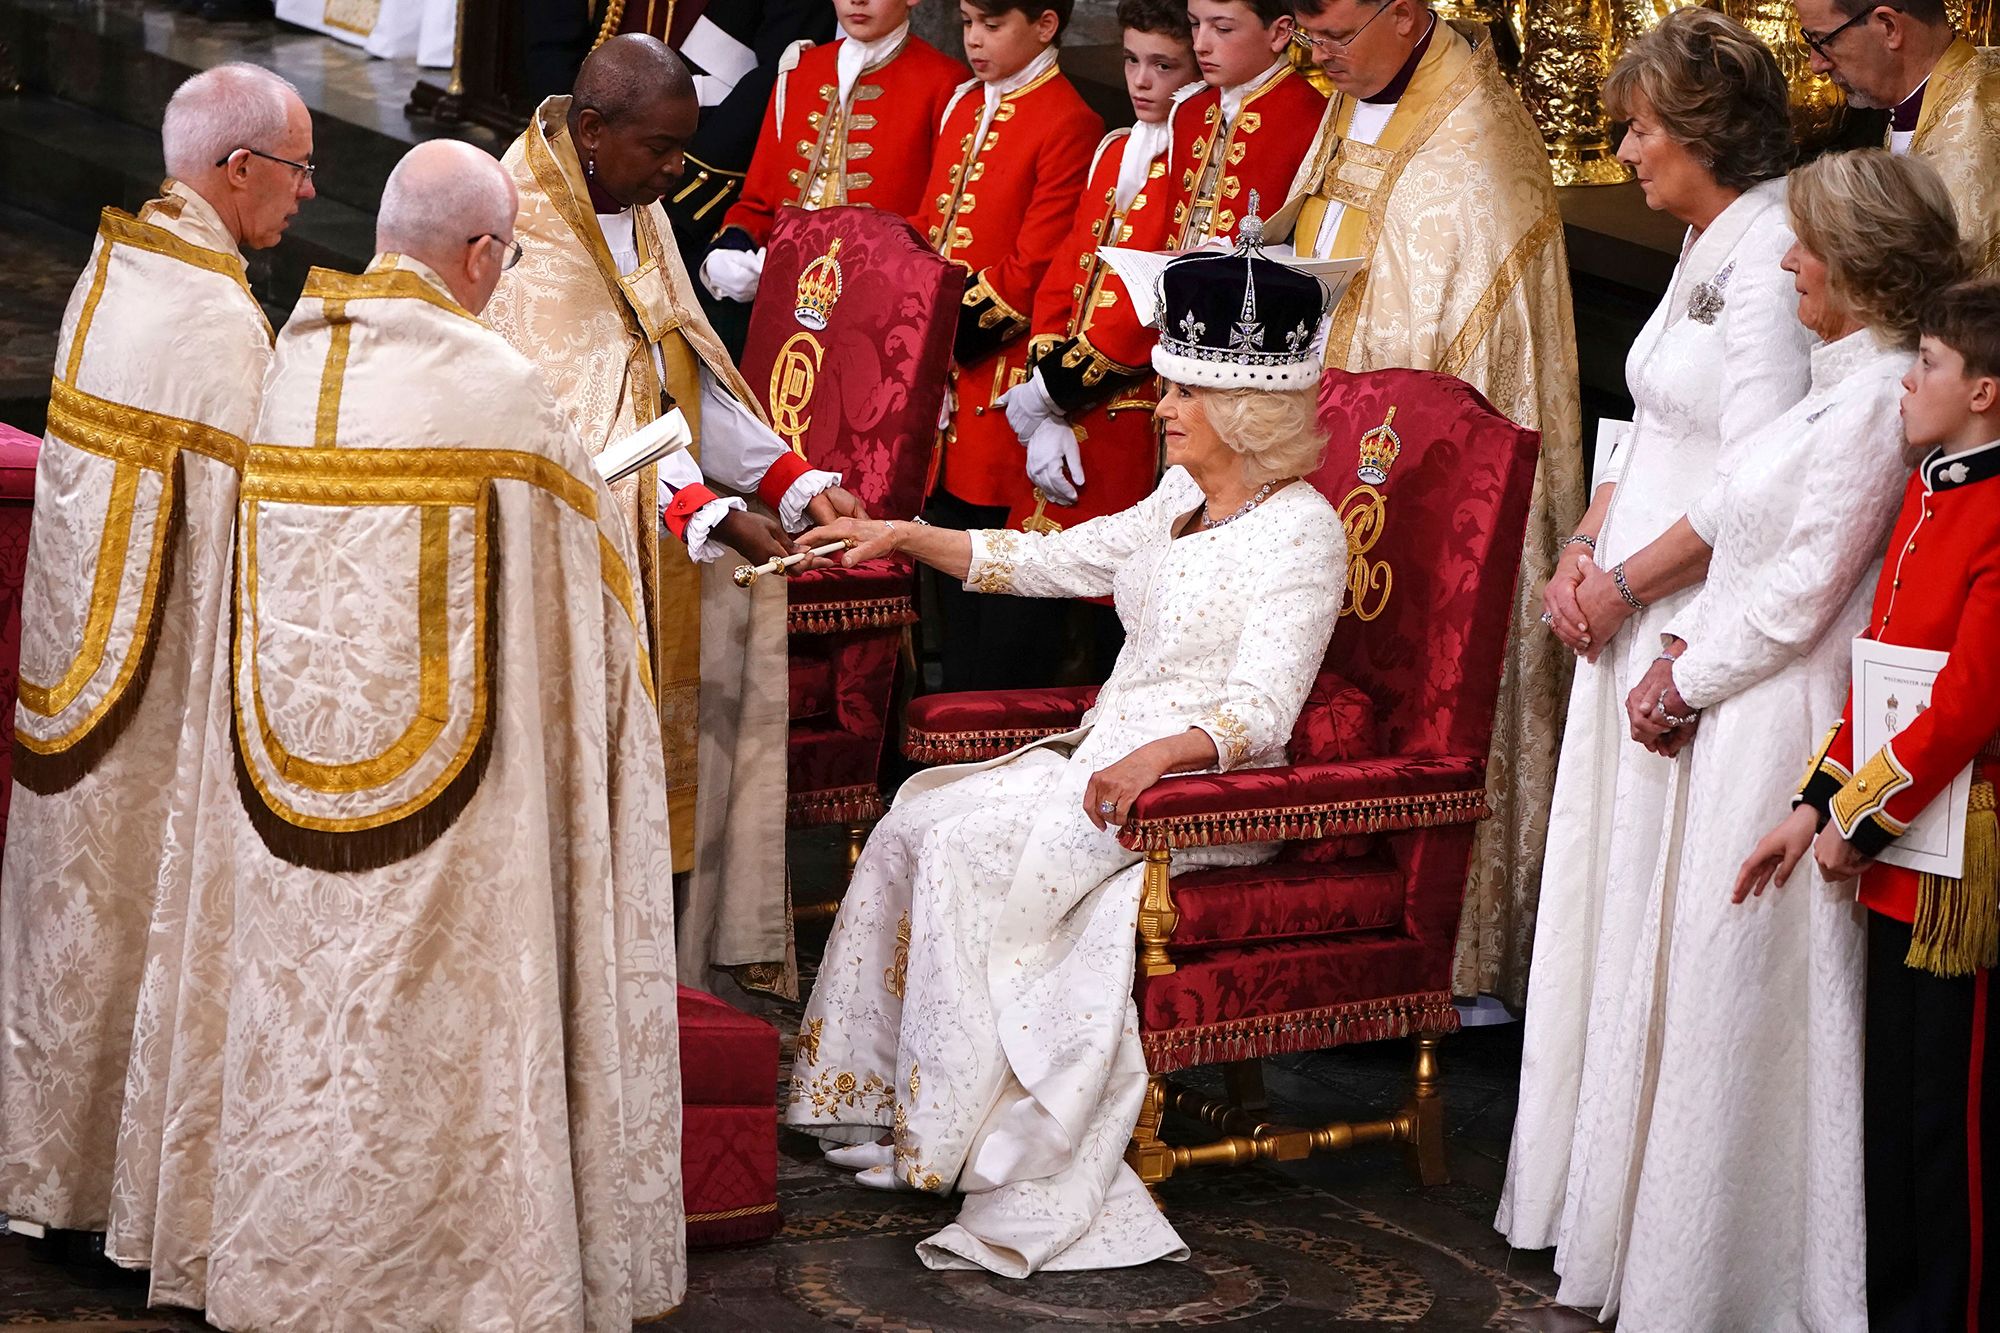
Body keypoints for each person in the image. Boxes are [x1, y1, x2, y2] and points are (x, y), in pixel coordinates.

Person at [129, 140, 685, 1329]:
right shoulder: (495, 388)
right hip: (459, 815)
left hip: (283, 789)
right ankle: (455, 1275)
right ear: (481, 254)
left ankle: (273, 1255)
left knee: (300, 1012)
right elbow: (581, 607)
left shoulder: (287, 363)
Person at [784, 238, 1343, 1275]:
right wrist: (907, 536)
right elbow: (1049, 557)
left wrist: (1156, 762)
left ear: (1242, 409)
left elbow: (1263, 713)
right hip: (1104, 768)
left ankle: (964, 1137)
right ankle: (877, 1097)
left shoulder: (1302, 535)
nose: (1159, 409)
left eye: (1180, 394)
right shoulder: (1177, 505)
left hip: (1201, 794)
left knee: (970, 848)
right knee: (915, 814)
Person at [1547, 149, 1966, 1331]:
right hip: (1736, 701)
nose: (1785, 260)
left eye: (1805, 248)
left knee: (1752, 986)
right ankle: (1684, 1258)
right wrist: (1684, 664)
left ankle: (1755, 1277)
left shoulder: (1876, 390)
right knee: (1700, 972)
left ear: (1854, 268)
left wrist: (1685, 670)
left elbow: (1801, 588)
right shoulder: (1841, 379)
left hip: (1778, 713)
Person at [1496, 7, 1814, 1256]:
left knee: (1664, 907)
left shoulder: (1774, 244)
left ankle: (1667, 1228)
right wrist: (1581, 548)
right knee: (1610, 892)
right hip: (1632, 590)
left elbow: (1754, 476)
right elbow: (1647, 429)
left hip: (1697, 610)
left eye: (1636, 128)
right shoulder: (1703, 239)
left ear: (1696, 131)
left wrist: (1628, 586)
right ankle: (1591, 1201)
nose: (1622, 151)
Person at [487, 34, 867, 1003]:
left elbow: (676, 373)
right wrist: (710, 513)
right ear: (590, 129)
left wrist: (784, 477)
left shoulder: (633, 202)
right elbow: (567, 431)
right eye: (659, 147)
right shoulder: (518, 222)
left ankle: (665, 976)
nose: (675, 172)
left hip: (665, 548)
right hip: (568, 565)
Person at [0, 62, 311, 1239]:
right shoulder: (212, 318)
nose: (302, 196)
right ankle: (116, 1190)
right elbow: (262, 526)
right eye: (296, 172)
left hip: (76, 664)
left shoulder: (115, 266)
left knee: (67, 917)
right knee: (135, 916)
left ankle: (42, 1170)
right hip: (157, 694)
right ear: (237, 170)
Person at [1277, 0, 1582, 1001]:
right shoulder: (1351, 91)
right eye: (1304, 37)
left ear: (1404, 15)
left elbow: (1469, 367)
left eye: (1331, 37)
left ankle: (1455, 950)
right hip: (1323, 443)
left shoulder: (1477, 149)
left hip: (1414, 473)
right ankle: (1307, 920)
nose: (1316, 59)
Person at [1739, 278, 2000, 1332]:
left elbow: (1961, 707)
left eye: (1928, 363)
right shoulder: (1930, 487)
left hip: (1952, 857)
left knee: (1949, 1122)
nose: (1908, 377)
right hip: (1895, 848)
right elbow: (1879, 674)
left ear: (1982, 389)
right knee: (1889, 1105)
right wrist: (1810, 809)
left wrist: (1859, 819)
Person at [915, 0, 1102, 690]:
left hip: (998, 383)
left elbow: (1034, 268)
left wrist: (932, 338)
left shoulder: (1070, 120)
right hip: (939, 390)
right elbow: (932, 223)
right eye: (966, 23)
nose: (973, 40)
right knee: (947, 590)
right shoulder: (964, 105)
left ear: (1046, 25)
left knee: (1005, 610)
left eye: (992, 25)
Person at [699, 0, 967, 308]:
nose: (857, 1)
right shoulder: (799, 70)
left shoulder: (946, 84)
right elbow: (758, 204)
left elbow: (936, 222)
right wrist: (729, 250)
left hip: (879, 310)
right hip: (780, 303)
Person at [1793, 0, 1998, 274]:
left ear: (1889, 27)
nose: (1816, 64)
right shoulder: (1913, 103)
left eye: (1822, 41)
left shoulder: (1981, 130)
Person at [1164, 0, 1326, 249]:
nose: (1199, 45)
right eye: (1195, 24)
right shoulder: (1189, 110)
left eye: (1223, 29)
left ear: (1280, 32)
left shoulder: (1313, 117)